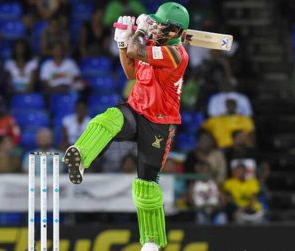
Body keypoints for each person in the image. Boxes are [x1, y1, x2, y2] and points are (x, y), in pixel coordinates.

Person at [63, 3, 190, 250]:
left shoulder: (176, 55)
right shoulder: (152, 45)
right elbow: (131, 72)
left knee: (146, 183)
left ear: (174, 31)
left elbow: (136, 48)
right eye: (153, 22)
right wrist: (122, 43)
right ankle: (81, 158)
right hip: (136, 108)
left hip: (160, 123)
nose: (155, 26)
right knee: (107, 119)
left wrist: (138, 32)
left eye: (159, 24)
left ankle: (151, 242)